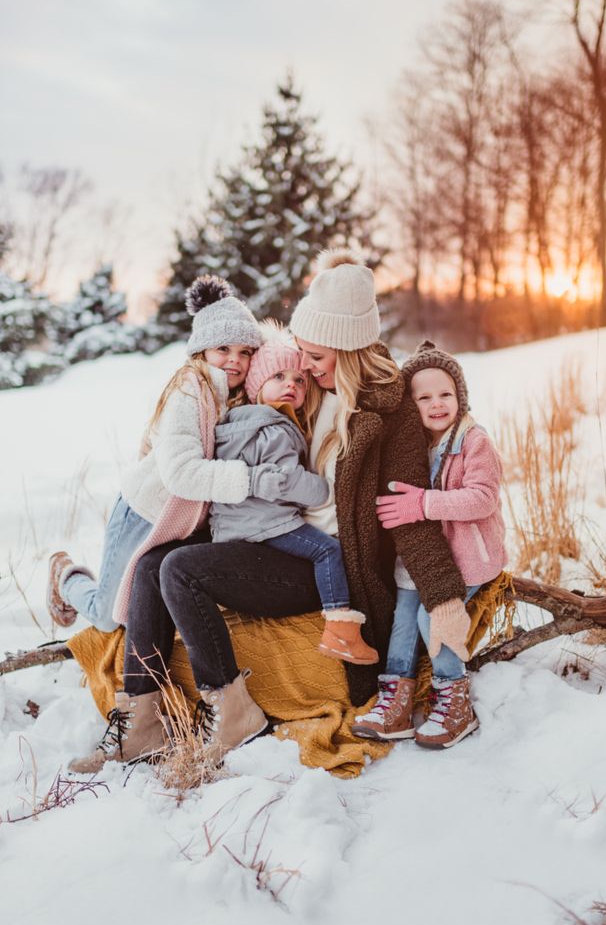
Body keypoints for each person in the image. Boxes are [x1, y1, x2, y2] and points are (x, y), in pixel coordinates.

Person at [117, 250, 471, 767]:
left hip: (322, 563)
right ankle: (141, 717)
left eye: (315, 357)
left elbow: (409, 519)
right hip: (270, 532)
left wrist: (443, 598)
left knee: (181, 570)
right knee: (153, 563)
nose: (301, 366)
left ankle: (233, 711)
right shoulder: (306, 394)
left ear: (349, 351)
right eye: (300, 353)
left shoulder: (388, 421)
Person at [58, 276, 290, 773]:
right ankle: (64, 578)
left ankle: (146, 723)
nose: (233, 359)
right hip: (142, 512)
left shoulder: (231, 394)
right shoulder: (191, 387)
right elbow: (182, 471)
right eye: (221, 348)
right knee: (105, 614)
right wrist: (253, 479)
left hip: (182, 521)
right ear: (200, 351)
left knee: (154, 577)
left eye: (244, 351)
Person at [352, 339, 507, 749]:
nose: (437, 404)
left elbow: (482, 498)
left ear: (460, 396)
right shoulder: (412, 444)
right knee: (402, 623)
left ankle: (454, 697)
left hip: (469, 557)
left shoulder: (474, 441)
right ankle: (396, 702)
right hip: (419, 560)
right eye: (424, 398)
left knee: (430, 619)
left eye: (446, 394)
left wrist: (424, 503)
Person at [210, 325, 378, 665]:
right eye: (279, 377)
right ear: (257, 386)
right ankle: (340, 632)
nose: (291, 384)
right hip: (265, 524)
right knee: (328, 551)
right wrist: (321, 489)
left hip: (232, 526)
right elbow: (285, 481)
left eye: (300, 380)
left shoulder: (235, 423)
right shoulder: (274, 426)